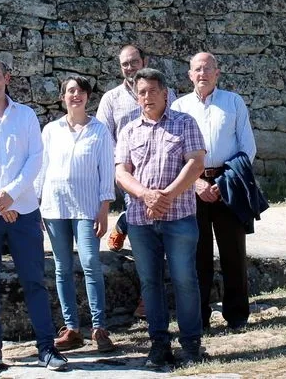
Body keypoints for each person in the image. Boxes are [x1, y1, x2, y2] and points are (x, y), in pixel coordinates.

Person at [0, 57, 69, 374]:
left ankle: (46, 348)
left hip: (24, 210)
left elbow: (35, 158)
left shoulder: (26, 116)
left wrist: (12, 196)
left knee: (34, 280)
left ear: (6, 78)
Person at [114, 68, 206, 367]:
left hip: (178, 216)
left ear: (165, 93)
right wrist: (146, 195)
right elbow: (121, 172)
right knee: (150, 283)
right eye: (142, 92)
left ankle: (191, 345)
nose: (147, 96)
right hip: (141, 219)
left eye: (153, 90)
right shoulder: (129, 129)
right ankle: (158, 345)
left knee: (184, 281)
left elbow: (195, 163)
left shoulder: (184, 123)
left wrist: (165, 195)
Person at [172, 52, 258, 331]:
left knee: (233, 252)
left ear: (217, 73)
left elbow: (248, 147)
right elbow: (173, 152)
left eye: (208, 69)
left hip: (227, 182)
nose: (202, 74)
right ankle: (199, 317)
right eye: (197, 69)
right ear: (189, 75)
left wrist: (224, 183)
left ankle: (237, 317)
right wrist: (195, 183)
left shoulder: (232, 102)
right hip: (190, 183)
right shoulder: (179, 106)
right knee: (197, 254)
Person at [35, 76, 116, 353]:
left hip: (86, 207)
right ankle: (71, 328)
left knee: (91, 262)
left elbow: (107, 171)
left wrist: (104, 208)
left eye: (81, 91)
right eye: (70, 91)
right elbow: (41, 169)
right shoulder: (50, 130)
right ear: (62, 97)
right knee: (62, 267)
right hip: (54, 207)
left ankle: (99, 327)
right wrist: (36, 204)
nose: (75, 95)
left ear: (87, 97)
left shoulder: (99, 131)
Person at [96, 45, 175, 253]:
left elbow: (174, 122)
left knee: (156, 202)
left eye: (134, 62)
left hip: (161, 163)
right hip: (127, 166)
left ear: (144, 62)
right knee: (137, 201)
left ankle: (128, 225)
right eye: (125, 64)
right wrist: (120, 161)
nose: (130, 67)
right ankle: (133, 230)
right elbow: (103, 136)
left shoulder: (166, 94)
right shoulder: (111, 99)